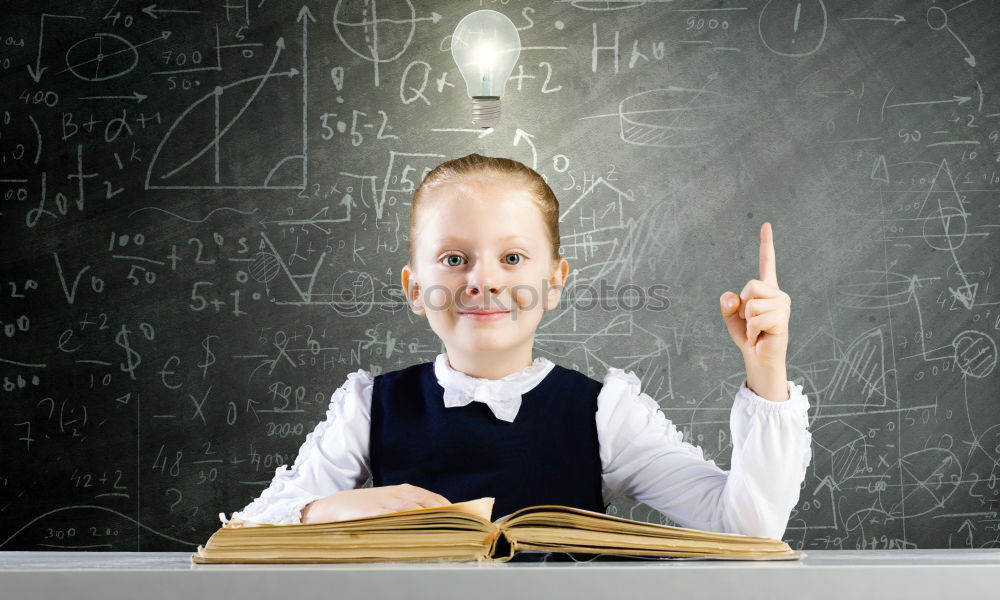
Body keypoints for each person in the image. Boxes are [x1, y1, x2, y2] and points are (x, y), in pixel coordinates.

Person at [226, 153, 812, 544]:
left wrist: (767, 372)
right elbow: (244, 535)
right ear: (413, 287)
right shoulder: (368, 407)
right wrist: (326, 509)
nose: (483, 281)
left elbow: (749, 529)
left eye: (512, 258)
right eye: (454, 259)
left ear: (555, 282)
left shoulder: (606, 413)